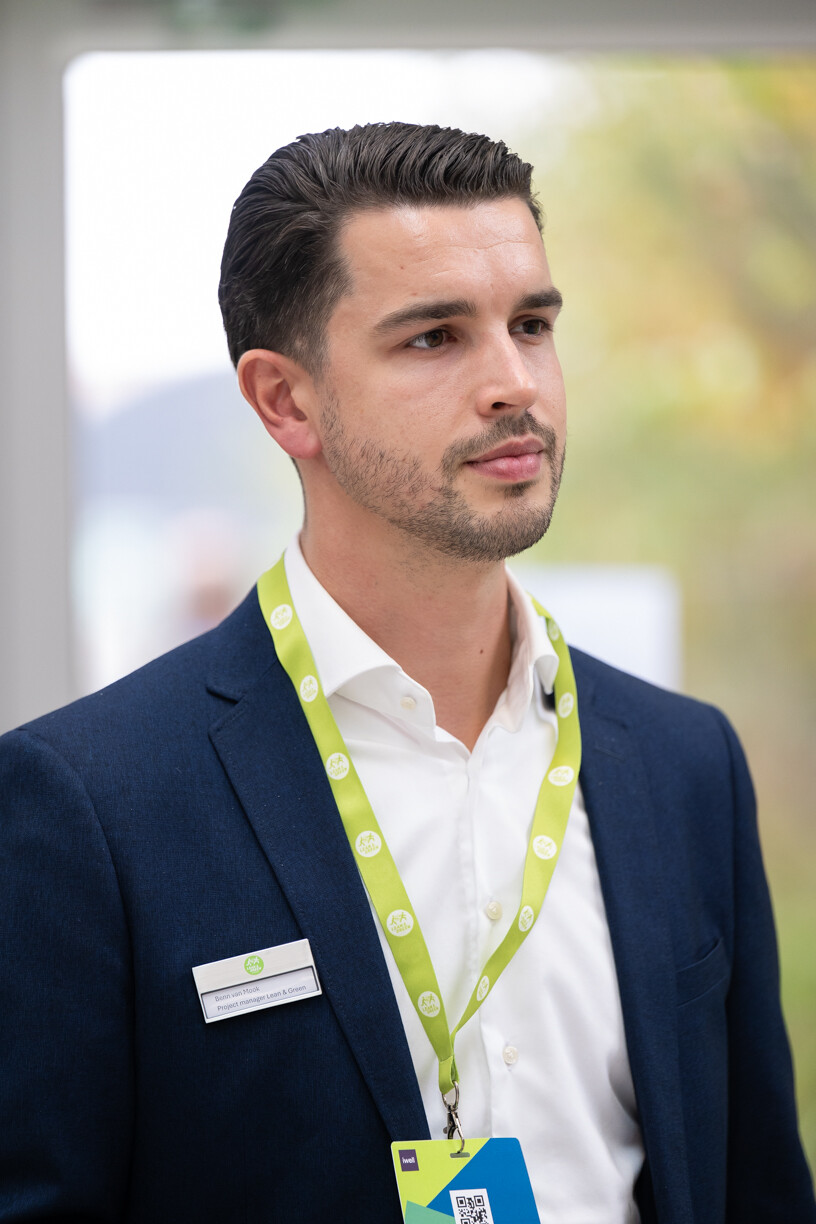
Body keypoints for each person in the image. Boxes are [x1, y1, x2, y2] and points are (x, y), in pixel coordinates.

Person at [0, 122, 813, 1224]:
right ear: (286, 402)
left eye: (532, 325)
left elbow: (757, 1184)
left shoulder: (684, 762)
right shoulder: (88, 803)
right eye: (435, 338)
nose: (514, 383)